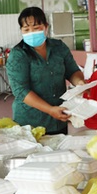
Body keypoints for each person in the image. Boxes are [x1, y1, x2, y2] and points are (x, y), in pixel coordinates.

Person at [7, 7, 85, 135]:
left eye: (36, 28)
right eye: (26, 29)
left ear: (46, 27)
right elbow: (20, 90)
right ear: (21, 31)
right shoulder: (18, 55)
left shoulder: (59, 47)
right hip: (30, 121)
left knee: (60, 153)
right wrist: (49, 110)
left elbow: (72, 71)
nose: (31, 32)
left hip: (59, 117)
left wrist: (80, 83)